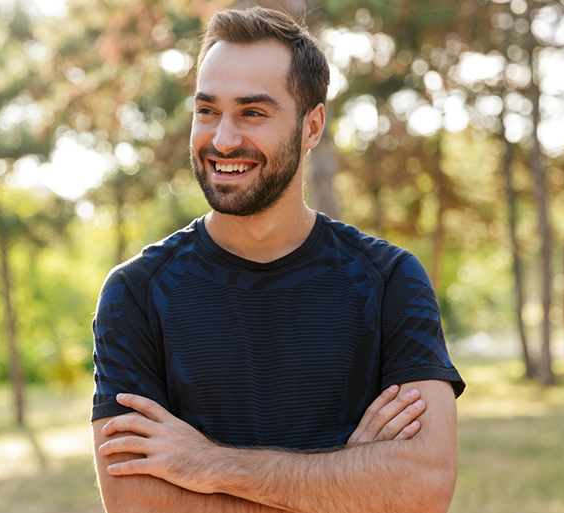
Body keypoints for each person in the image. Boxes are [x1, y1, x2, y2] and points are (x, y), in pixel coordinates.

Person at [91, 7, 465, 513]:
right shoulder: (135, 295)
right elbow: (136, 503)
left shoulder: (390, 281)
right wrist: (346, 482)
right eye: (207, 110)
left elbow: (424, 489)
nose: (222, 139)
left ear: (312, 127)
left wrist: (208, 465)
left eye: (253, 112)